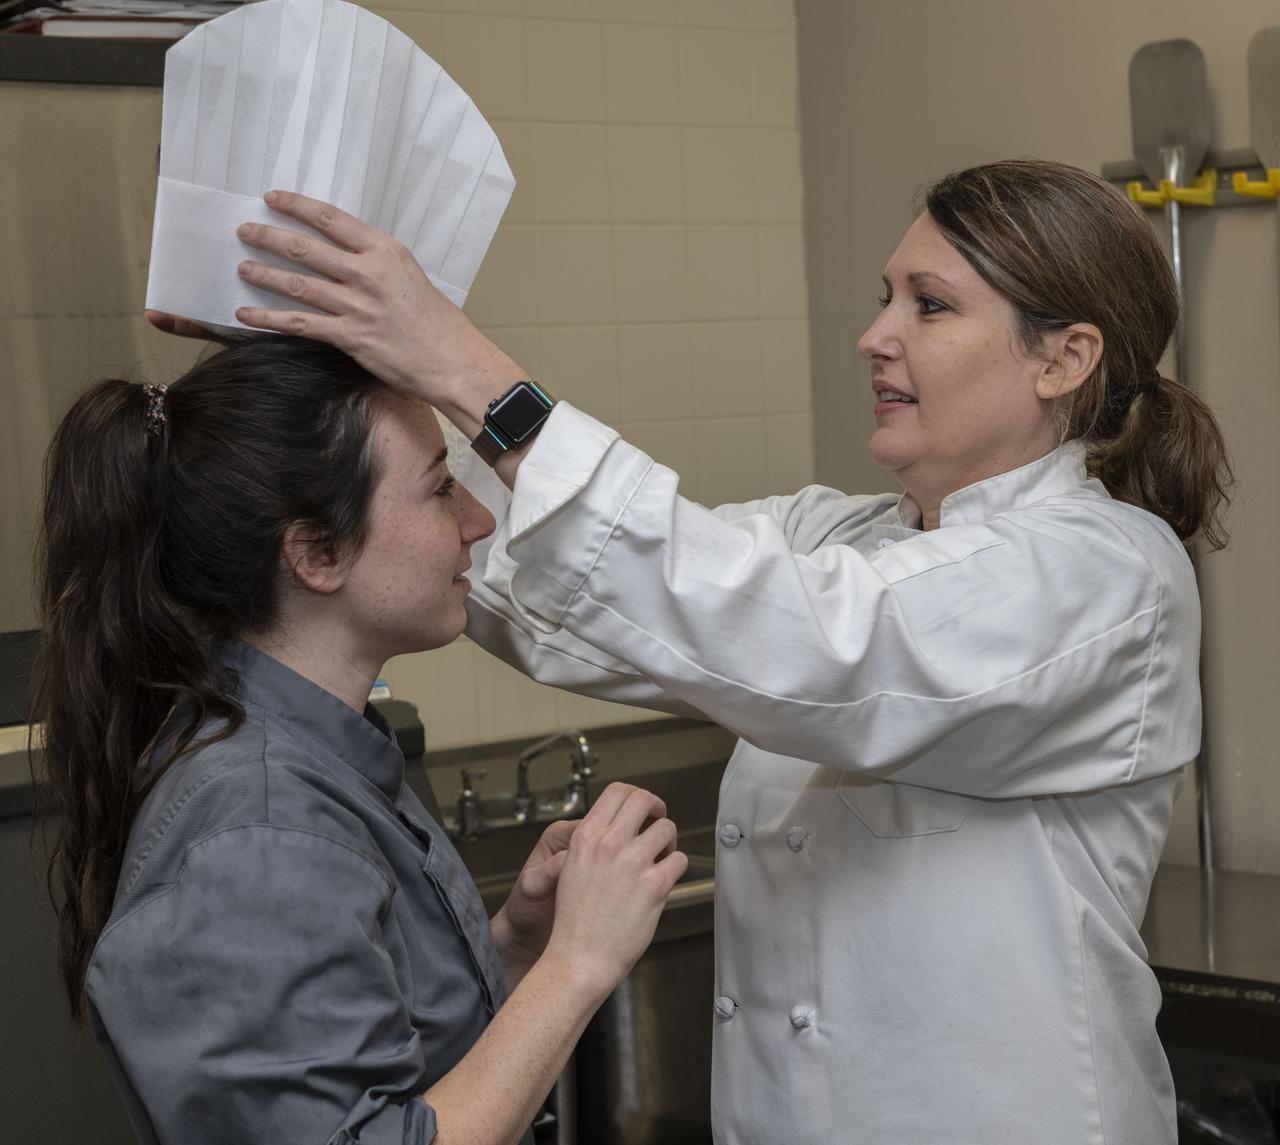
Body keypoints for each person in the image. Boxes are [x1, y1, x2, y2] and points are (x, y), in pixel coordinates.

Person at [169, 157, 1232, 1143]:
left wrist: (462, 366)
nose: (874, 335)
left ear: (1063, 357)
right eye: (885, 296)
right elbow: (606, 591)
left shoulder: (1105, 573)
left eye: (930, 304)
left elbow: (808, 643)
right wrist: (320, 432)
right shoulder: (841, 538)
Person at [33, 335, 688, 1145]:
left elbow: (389, 1066)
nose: (479, 522)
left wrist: (516, 944)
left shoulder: (322, 761)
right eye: (442, 489)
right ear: (315, 552)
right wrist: (578, 964)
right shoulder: (260, 834)